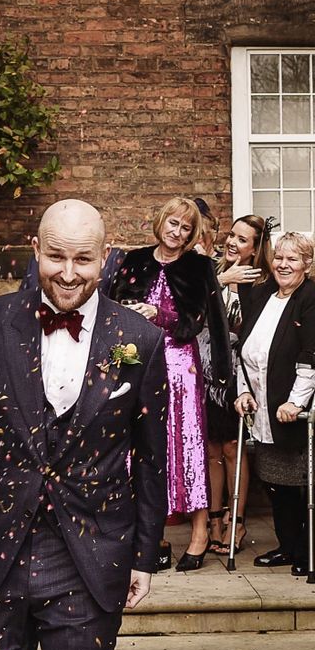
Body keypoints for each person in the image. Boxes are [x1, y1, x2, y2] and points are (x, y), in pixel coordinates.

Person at [0, 199, 168, 650]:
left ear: (105, 257)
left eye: (83, 259)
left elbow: (149, 457)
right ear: (35, 249)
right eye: (56, 256)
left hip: (90, 555)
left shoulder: (140, 338)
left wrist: (144, 555)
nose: (68, 272)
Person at [111, 197, 231, 572]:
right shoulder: (134, 261)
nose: (177, 232)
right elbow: (111, 311)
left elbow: (198, 322)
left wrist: (158, 314)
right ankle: (153, 538)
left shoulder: (198, 267)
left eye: (185, 227)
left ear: (192, 233)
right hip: (137, 363)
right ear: (160, 222)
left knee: (188, 447)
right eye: (172, 223)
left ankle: (198, 535)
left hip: (180, 367)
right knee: (142, 449)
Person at [235, 232, 315, 577]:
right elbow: (244, 351)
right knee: (275, 483)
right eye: (279, 257)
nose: (283, 264)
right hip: (263, 407)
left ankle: (309, 550)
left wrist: (296, 402)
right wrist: (243, 392)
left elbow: (309, 357)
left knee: (303, 484)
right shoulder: (263, 295)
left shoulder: (310, 298)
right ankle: (288, 545)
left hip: (294, 408)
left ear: (307, 265)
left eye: (292, 259)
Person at [204, 215, 272, 556]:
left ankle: (237, 520)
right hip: (205, 370)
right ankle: (214, 520)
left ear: (256, 248)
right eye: (231, 235)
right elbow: (190, 310)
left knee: (233, 446)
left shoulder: (262, 283)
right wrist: (220, 280)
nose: (232, 242)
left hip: (239, 374)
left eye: (242, 240)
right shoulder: (212, 270)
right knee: (211, 449)